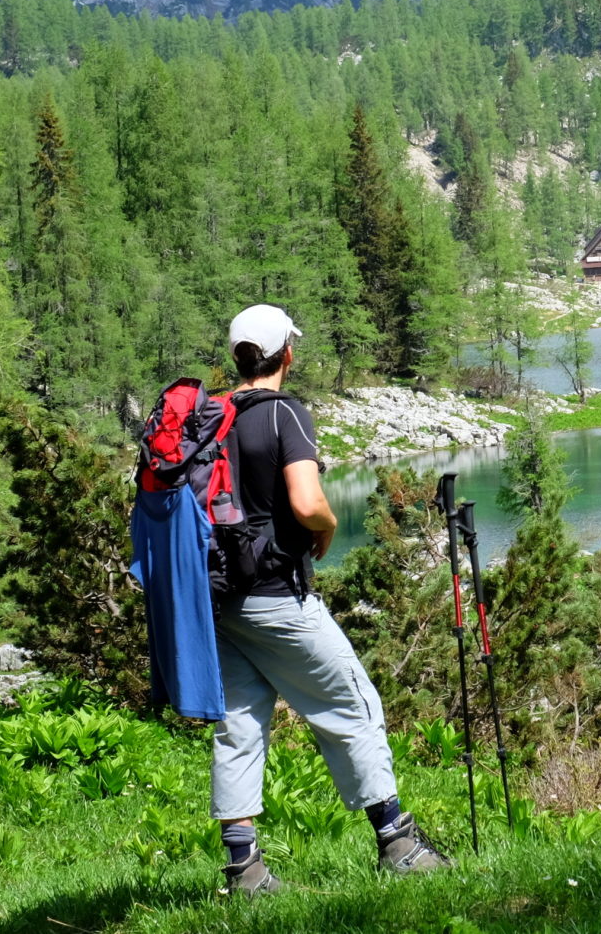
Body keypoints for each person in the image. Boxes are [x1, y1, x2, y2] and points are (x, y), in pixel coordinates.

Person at [212, 303, 448, 893]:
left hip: (219, 600)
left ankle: (244, 868)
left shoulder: (214, 415)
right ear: (285, 354)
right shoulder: (284, 413)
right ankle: (397, 841)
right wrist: (329, 526)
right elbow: (306, 500)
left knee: (239, 725)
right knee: (355, 706)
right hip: (276, 595)